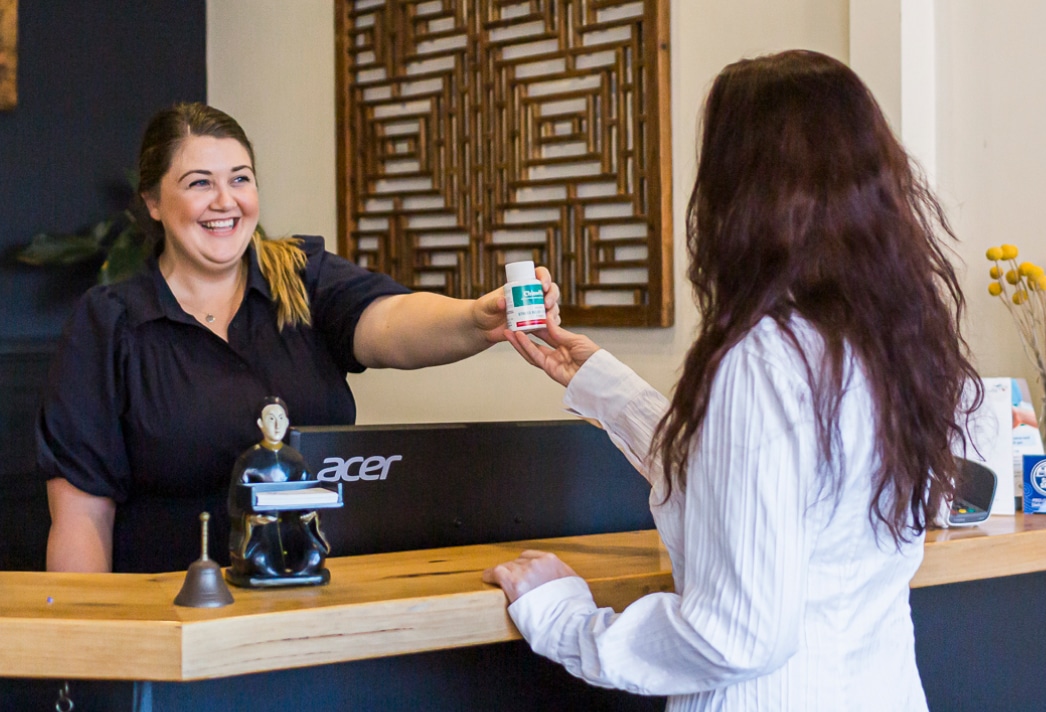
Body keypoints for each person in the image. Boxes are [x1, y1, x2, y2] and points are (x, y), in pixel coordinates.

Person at [484, 50, 980, 710]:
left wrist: (563, 619)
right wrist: (600, 383)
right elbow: (762, 487)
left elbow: (737, 635)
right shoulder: (894, 338)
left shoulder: (762, 356)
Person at [38, 102, 558, 574]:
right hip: (175, 616)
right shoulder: (110, 323)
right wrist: (90, 654)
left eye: (240, 179)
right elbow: (82, 518)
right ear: (153, 201)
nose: (226, 201)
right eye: (199, 183)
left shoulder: (302, 277)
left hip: (317, 601)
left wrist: (476, 318)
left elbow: (389, 323)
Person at [227, 396, 329, 584]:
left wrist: (311, 515)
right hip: (262, 535)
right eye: (271, 419)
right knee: (260, 564)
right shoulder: (248, 461)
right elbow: (235, 504)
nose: (277, 425)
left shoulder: (295, 459)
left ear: (288, 422)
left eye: (281, 419)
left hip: (293, 532)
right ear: (260, 423)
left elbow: (311, 496)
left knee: (313, 559)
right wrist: (251, 519)